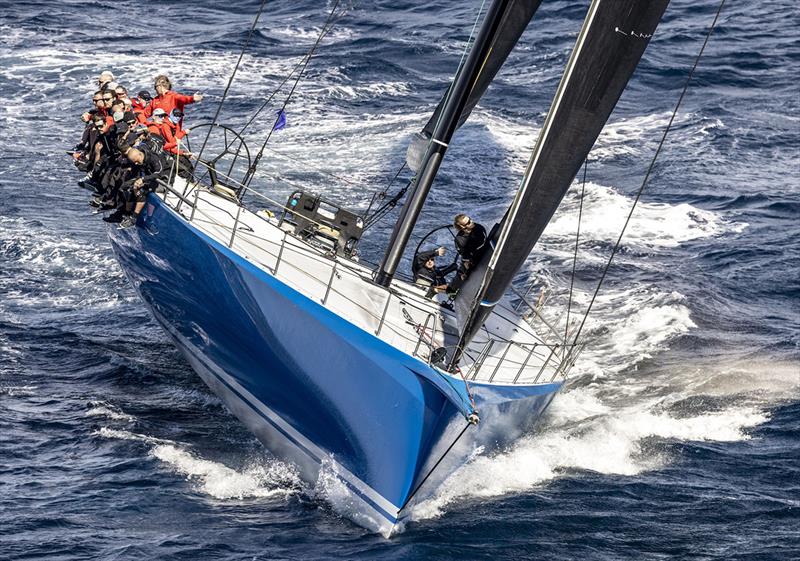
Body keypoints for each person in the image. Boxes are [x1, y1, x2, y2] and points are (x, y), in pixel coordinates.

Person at [450, 213, 487, 290]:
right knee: (461, 275)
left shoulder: (478, 227)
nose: (472, 221)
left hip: (485, 252)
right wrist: (467, 266)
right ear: (462, 227)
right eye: (468, 222)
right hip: (473, 259)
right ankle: (450, 291)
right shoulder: (460, 240)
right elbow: (465, 255)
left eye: (470, 219)